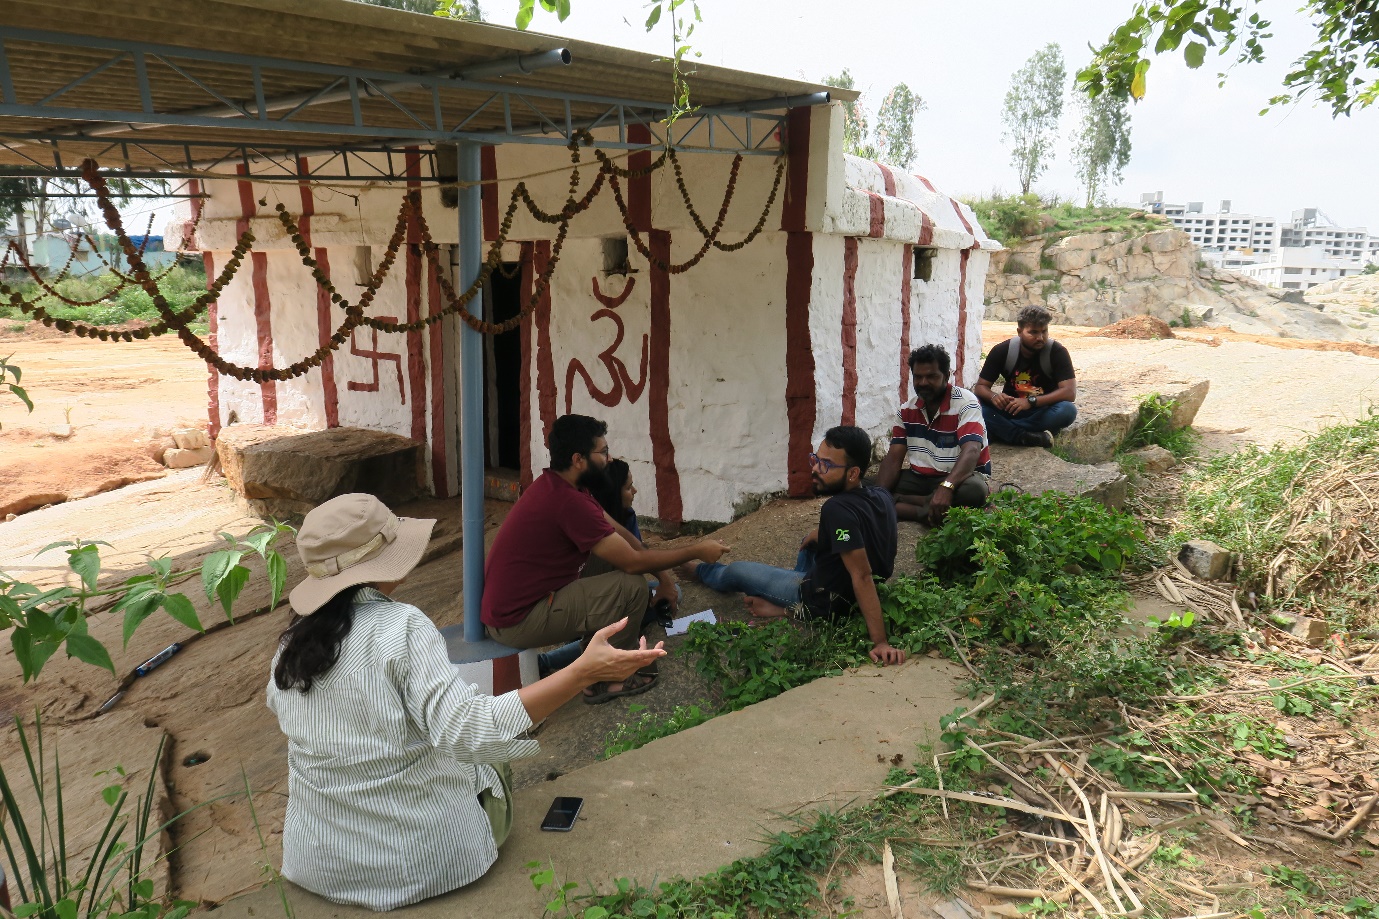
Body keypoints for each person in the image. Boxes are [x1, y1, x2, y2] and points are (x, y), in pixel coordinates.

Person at [266, 493, 666, 911]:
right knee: (490, 756)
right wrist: (584, 671)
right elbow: (469, 733)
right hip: (417, 864)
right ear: (384, 563)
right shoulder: (401, 626)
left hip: (318, 860)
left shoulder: (291, 646)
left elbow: (283, 709)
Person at [482, 414, 730, 703]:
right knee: (631, 588)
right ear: (579, 459)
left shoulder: (564, 486)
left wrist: (665, 581)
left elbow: (623, 536)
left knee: (617, 564)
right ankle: (605, 679)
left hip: (526, 604)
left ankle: (595, 658)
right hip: (517, 621)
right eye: (603, 452)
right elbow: (633, 564)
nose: (609, 459)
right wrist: (697, 550)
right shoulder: (568, 502)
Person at [683, 426, 906, 666]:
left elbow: (862, 575)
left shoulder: (837, 509)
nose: (815, 469)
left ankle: (705, 573)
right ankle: (788, 596)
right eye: (816, 459)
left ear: (852, 474)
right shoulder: (881, 495)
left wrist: (880, 641)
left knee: (737, 570)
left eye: (826, 466)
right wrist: (821, 534)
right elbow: (859, 531)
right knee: (808, 541)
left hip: (827, 599)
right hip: (842, 587)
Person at [878, 344, 992, 525]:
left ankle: (910, 508)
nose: (923, 383)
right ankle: (926, 507)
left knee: (974, 491)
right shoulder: (907, 410)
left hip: (961, 477)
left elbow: (971, 450)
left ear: (946, 376)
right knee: (870, 485)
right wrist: (880, 494)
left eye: (931, 376)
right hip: (920, 479)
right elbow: (894, 457)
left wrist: (947, 487)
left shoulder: (966, 402)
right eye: (918, 377)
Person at [973, 304, 1078, 448]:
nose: (1040, 338)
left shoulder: (1057, 352)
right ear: (1019, 331)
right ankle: (1022, 436)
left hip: (1041, 410)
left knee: (1067, 411)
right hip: (1009, 409)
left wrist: (1031, 402)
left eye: (1044, 331)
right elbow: (980, 387)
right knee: (974, 404)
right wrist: (994, 397)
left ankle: (999, 430)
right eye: (1033, 333)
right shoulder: (1002, 351)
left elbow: (1069, 393)